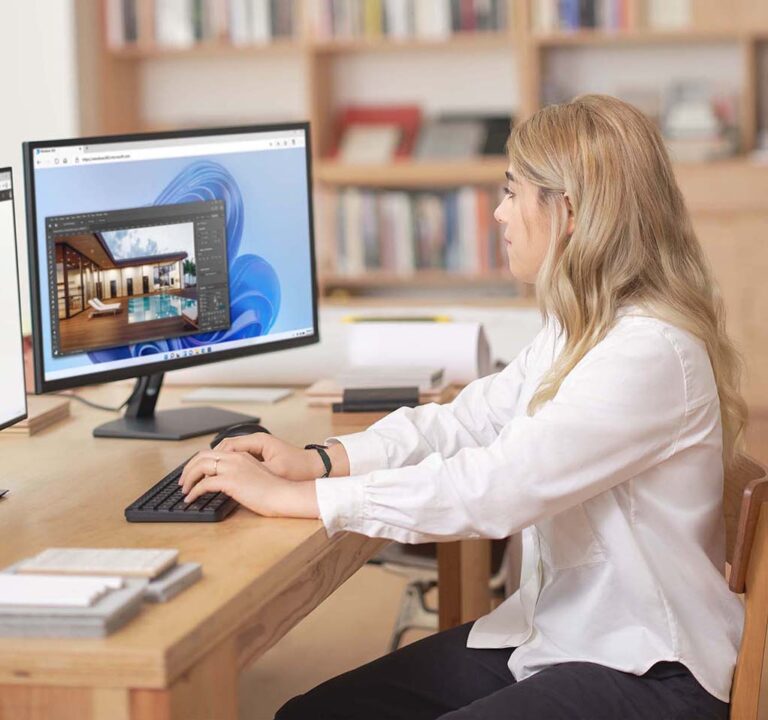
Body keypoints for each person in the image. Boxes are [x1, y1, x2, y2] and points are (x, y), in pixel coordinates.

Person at [179, 94, 747, 719]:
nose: (499, 212)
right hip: (561, 636)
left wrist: (300, 499)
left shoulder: (648, 350)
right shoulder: (580, 327)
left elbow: (497, 488)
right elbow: (468, 420)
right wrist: (321, 460)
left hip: (650, 670)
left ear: (569, 212)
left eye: (512, 192)